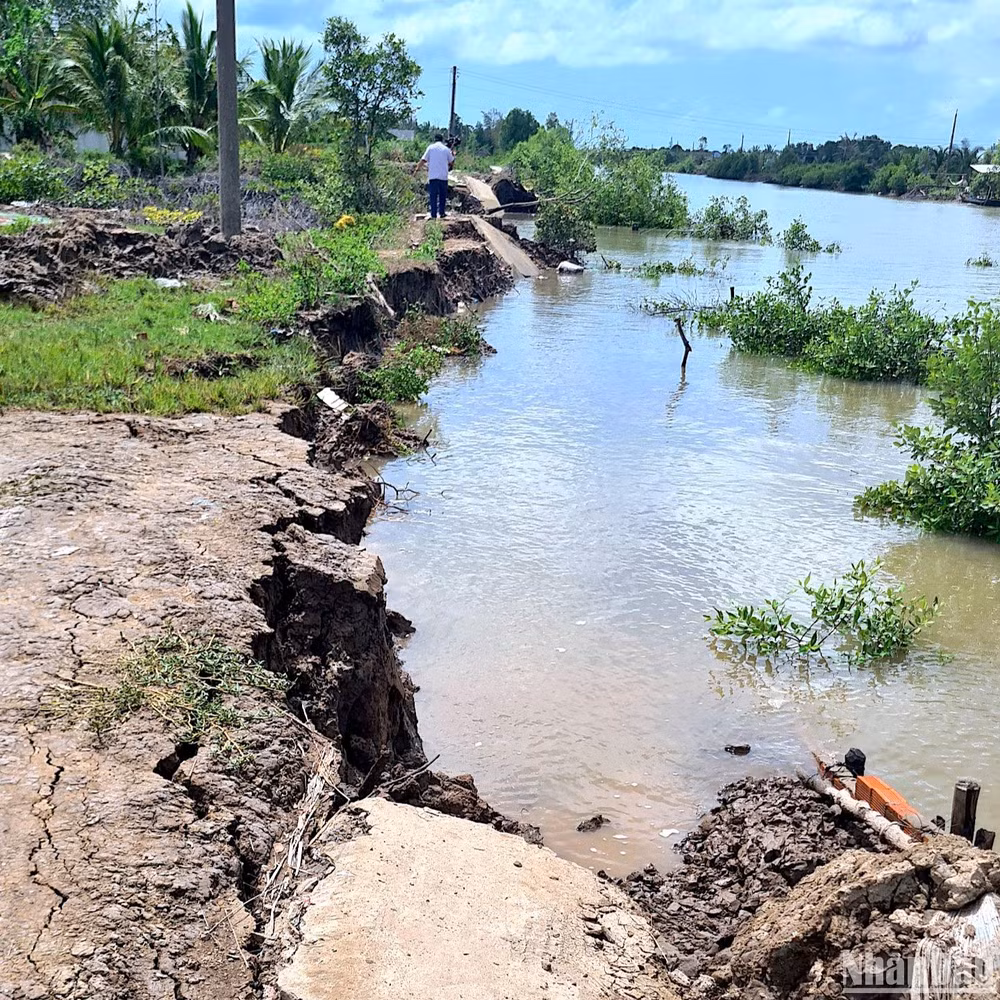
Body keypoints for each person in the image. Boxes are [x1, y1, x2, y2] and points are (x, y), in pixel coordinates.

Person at [414, 134, 455, 219]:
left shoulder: (430, 148)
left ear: (435, 139)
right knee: (442, 196)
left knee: (433, 196)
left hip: (433, 176)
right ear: (442, 140)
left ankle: (433, 215)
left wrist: (417, 169)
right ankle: (442, 213)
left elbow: (423, 160)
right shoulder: (446, 149)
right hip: (443, 176)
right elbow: (451, 161)